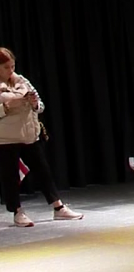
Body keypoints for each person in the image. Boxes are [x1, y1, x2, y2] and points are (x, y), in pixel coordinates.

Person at [0, 48, 82, 227]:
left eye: (13, 66)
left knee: (43, 171)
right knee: (10, 176)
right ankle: (17, 212)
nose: (11, 71)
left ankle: (58, 207)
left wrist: (35, 103)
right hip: (6, 138)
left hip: (30, 135)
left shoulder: (22, 81)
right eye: (6, 67)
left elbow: (41, 106)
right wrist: (7, 106)